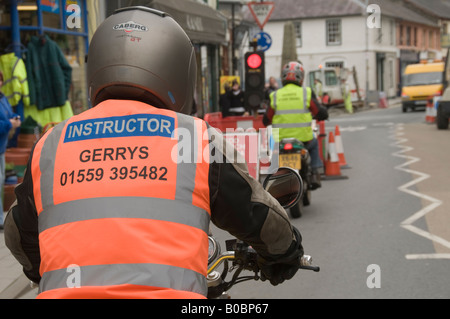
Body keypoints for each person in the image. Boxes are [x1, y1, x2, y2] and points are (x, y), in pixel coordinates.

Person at [4, 7, 304, 299]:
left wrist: (42, 273)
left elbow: (18, 233)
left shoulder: (51, 144)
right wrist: (287, 251)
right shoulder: (194, 137)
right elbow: (254, 212)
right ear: (178, 69)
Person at [263, 61, 329, 189]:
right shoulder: (306, 93)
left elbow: (266, 119)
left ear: (282, 77)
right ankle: (315, 173)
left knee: (273, 156)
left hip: (280, 141)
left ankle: (274, 178)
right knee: (314, 144)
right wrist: (323, 114)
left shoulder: (275, 95)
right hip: (304, 140)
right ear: (301, 77)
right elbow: (318, 111)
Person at [0, 71, 21, 228]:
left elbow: (8, 113)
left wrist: (15, 118)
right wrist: (9, 124)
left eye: (0, 80)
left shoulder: (2, 97)